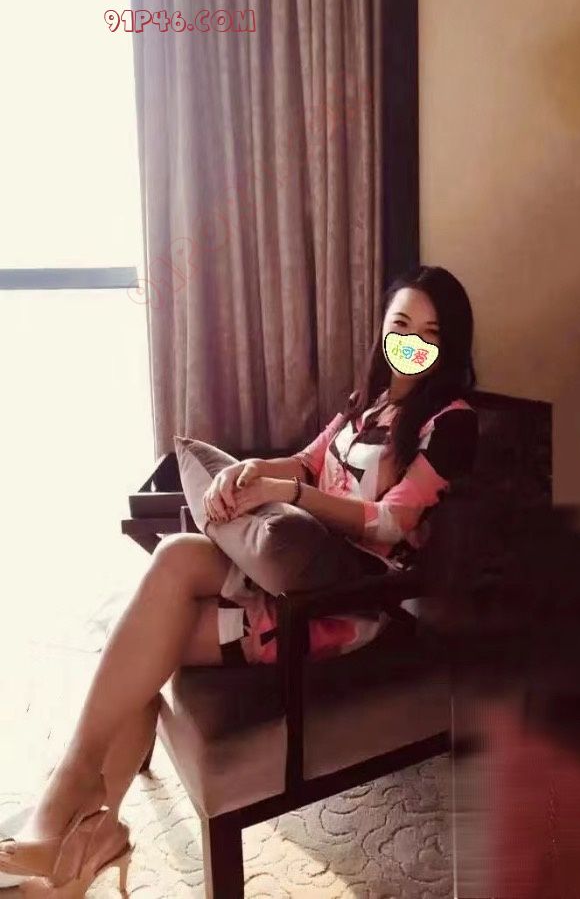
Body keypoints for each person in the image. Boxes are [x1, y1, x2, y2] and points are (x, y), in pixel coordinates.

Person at [0, 264, 478, 895]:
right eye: (401, 325)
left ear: (450, 343)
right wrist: (250, 471)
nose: (412, 342)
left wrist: (289, 495)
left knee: (146, 641)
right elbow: (306, 462)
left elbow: (392, 522)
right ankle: (84, 817)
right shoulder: (369, 401)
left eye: (430, 333)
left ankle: (74, 819)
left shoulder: (451, 421)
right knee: (174, 559)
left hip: (348, 603)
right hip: (297, 569)